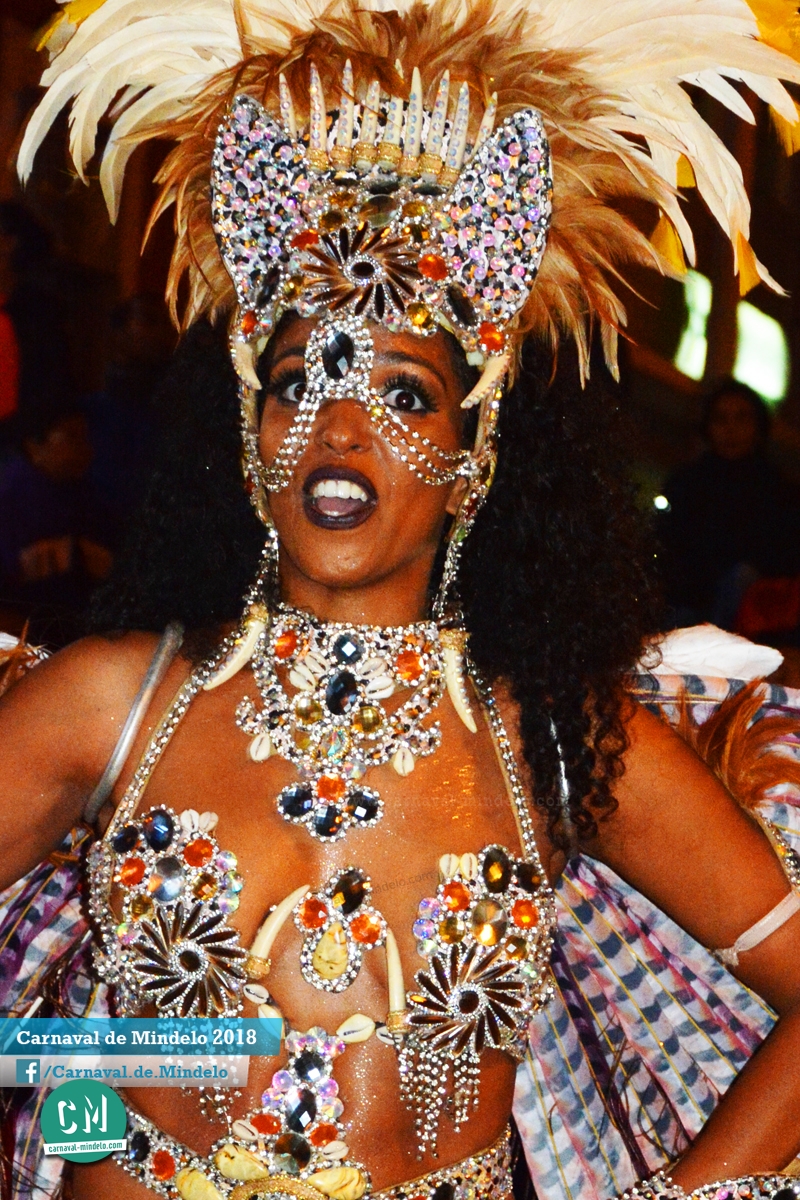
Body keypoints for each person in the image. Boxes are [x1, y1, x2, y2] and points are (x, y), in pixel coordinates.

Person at [3, 2, 800, 1200]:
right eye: (297, 381)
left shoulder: (554, 735)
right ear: (246, 439)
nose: (338, 428)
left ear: (476, 455)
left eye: (405, 395)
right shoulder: (114, 703)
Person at [658, 381, 800, 629]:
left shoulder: (777, 489)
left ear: (758, 426)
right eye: (721, 419)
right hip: (687, 603)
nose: (731, 429)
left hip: (748, 615)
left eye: (742, 419)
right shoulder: (686, 483)